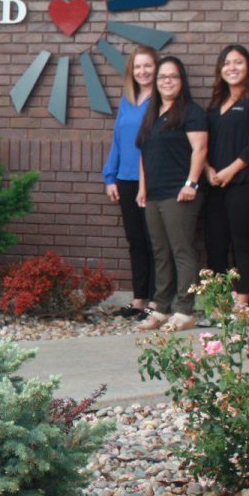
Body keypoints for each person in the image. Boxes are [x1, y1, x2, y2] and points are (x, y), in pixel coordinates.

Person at [135, 56, 208, 332]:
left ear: (182, 81)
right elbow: (144, 153)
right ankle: (161, 308)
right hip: (154, 194)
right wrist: (142, 188)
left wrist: (191, 183)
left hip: (179, 194)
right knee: (160, 252)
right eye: (162, 77)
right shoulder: (152, 114)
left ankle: (184, 310)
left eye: (173, 76)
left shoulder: (191, 112)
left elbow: (200, 149)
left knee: (181, 251)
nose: (167, 81)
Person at [202, 45, 249, 307]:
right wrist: (208, 170)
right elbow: (204, 143)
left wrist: (230, 171)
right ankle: (219, 301)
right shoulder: (215, 104)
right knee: (216, 243)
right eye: (226, 63)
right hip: (216, 184)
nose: (232, 68)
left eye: (238, 62)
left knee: (244, 244)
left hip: (248, 183)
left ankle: (243, 303)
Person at [102, 46, 158, 318]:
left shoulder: (161, 100)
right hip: (126, 180)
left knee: (154, 241)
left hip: (153, 180)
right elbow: (118, 140)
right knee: (135, 240)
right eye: (137, 67)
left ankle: (157, 301)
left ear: (156, 68)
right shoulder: (127, 100)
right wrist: (110, 176)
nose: (142, 71)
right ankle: (139, 299)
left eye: (148, 66)